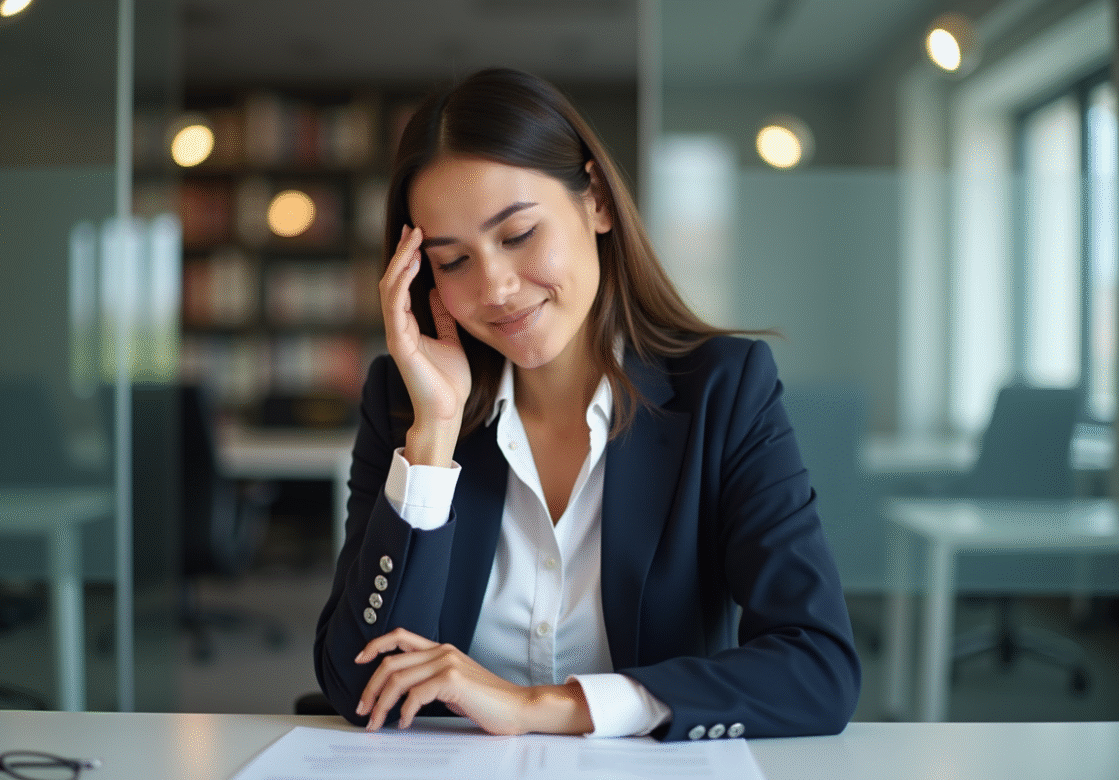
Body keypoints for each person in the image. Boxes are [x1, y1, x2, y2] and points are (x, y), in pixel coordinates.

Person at [314, 67, 861, 742]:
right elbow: (356, 682)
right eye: (454, 262)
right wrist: (434, 440)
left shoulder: (725, 390)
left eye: (517, 235)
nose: (497, 287)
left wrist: (540, 707)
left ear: (596, 199)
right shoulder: (405, 400)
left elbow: (818, 667)